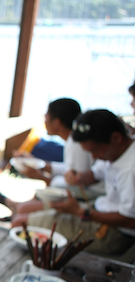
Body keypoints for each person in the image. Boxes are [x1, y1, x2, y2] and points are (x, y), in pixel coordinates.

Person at [27, 109, 135, 256]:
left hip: (115, 233)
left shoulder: (130, 169)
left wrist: (82, 212)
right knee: (34, 211)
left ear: (116, 138)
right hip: (99, 210)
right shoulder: (117, 151)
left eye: (95, 150)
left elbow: (130, 220)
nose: (94, 157)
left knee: (22, 222)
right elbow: (96, 173)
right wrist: (78, 177)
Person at [0, 98, 102, 224]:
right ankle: (15, 208)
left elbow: (76, 182)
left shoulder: (76, 144)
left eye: (46, 117)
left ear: (57, 122)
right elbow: (71, 170)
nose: (44, 121)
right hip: (85, 194)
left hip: (87, 198)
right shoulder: (73, 141)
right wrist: (40, 164)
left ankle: (15, 210)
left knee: (37, 198)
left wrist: (41, 177)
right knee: (37, 196)